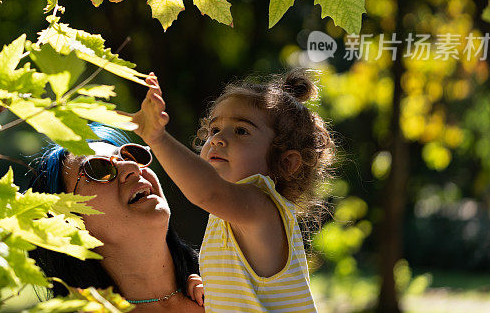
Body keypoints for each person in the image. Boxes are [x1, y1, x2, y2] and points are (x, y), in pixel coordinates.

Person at [131, 68, 335, 313]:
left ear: (285, 162)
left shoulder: (263, 206)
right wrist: (215, 290)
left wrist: (157, 138)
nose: (218, 139)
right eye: (214, 130)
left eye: (241, 131)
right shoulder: (231, 214)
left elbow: (207, 191)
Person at [28, 123, 205, 311]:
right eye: (98, 169)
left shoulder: (229, 272)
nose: (132, 167)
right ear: (66, 222)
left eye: (132, 156)